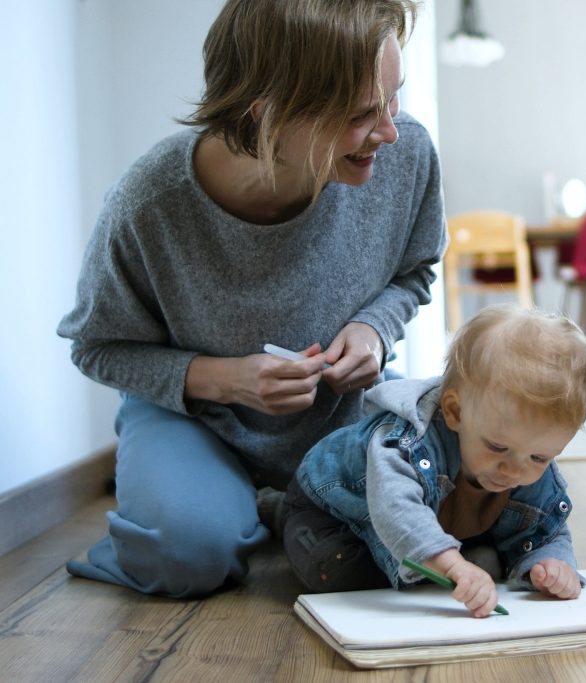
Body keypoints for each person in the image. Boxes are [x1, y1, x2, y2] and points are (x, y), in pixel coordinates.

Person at [56, 0, 446, 598]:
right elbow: (97, 348)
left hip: (337, 415)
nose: (390, 129)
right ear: (265, 115)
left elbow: (415, 271)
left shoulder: (405, 155)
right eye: (363, 113)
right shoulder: (148, 205)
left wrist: (374, 329)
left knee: (439, 528)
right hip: (195, 420)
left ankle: (263, 508)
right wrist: (226, 381)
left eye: (393, 97)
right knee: (184, 556)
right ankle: (199, 516)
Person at [274, 305, 586, 617]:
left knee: (481, 563)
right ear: (455, 412)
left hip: (433, 528)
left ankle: (442, 559)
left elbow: (545, 528)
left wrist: (553, 564)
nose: (515, 469)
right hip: (329, 513)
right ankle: (275, 511)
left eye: (540, 457)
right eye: (497, 447)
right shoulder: (407, 442)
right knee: (335, 572)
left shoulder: (523, 454)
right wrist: (453, 566)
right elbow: (395, 508)